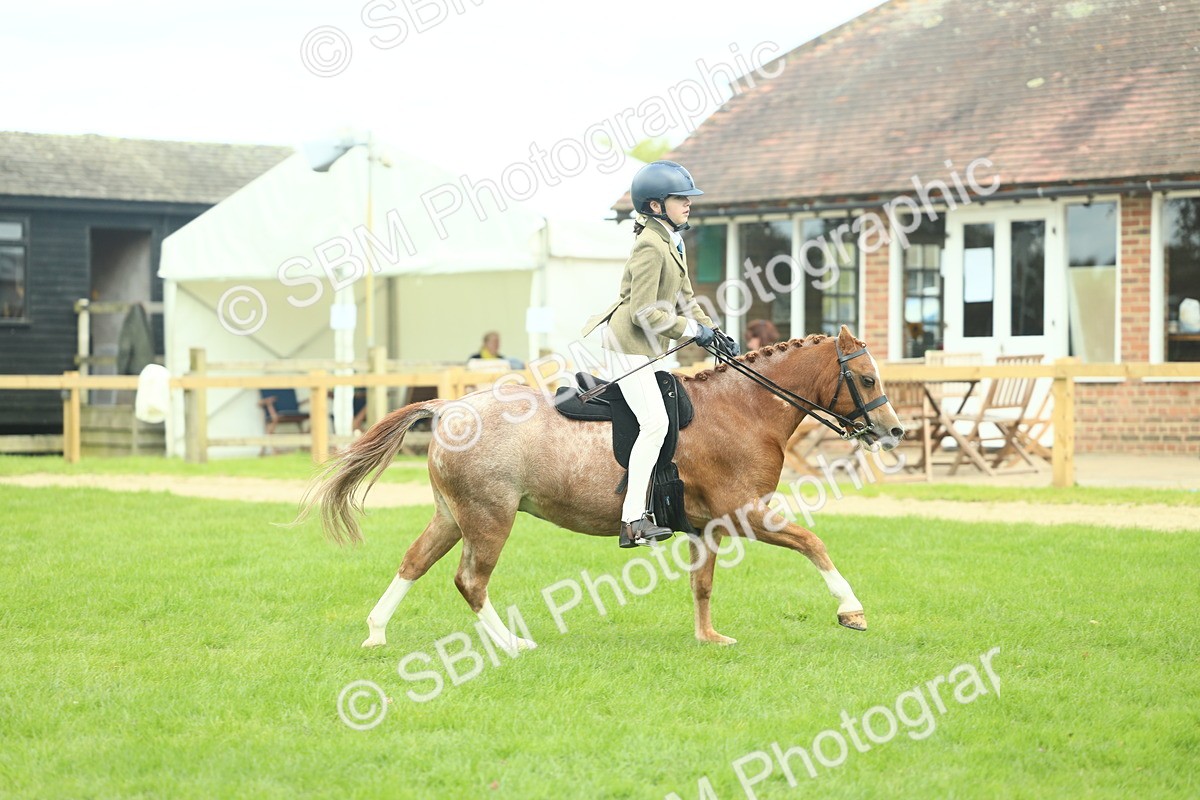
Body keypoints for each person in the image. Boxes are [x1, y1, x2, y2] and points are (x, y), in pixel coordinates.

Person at [581, 160, 739, 548]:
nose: (689, 204)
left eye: (688, 198)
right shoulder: (650, 246)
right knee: (654, 423)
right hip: (629, 345)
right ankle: (632, 520)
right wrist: (693, 332)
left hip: (649, 348)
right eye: (680, 198)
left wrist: (715, 333)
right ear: (656, 206)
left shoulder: (672, 241)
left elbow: (687, 299)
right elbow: (643, 311)